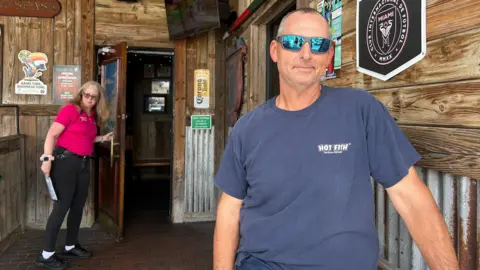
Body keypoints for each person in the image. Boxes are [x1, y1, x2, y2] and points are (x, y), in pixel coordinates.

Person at [213, 8, 459, 270]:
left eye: (318, 45)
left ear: (329, 55)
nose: (306, 54)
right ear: (275, 51)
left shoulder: (361, 111)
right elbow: (229, 212)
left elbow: (411, 198)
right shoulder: (247, 129)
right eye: (294, 42)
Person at [35, 81, 114, 270]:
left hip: (83, 163)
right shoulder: (71, 110)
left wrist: (102, 138)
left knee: (78, 207)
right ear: (81, 94)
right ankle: (46, 254)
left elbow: (84, 137)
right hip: (65, 163)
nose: (89, 99)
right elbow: (52, 135)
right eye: (86, 95)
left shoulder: (92, 115)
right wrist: (47, 159)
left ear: (98, 99)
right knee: (62, 207)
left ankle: (70, 246)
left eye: (93, 97)